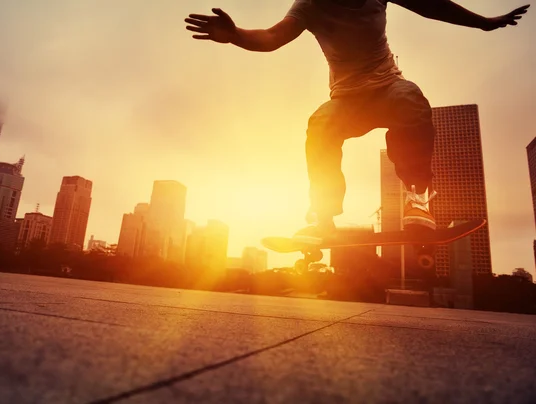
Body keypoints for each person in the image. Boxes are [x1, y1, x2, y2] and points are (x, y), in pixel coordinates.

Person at [185, 0, 530, 243]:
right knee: (320, 124)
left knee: (412, 100)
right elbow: (273, 37)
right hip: (347, 100)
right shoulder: (310, 5)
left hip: (388, 87)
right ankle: (324, 216)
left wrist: (484, 22)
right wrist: (236, 35)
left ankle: (418, 198)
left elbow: (433, 5)